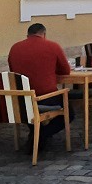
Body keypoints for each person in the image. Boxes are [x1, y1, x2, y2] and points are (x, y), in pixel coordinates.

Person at [8, 23, 73, 152]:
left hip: (22, 99)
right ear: (44, 34)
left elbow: (13, 70)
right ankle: (41, 136)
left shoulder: (15, 48)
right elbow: (65, 70)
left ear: (27, 35)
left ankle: (36, 134)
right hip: (45, 96)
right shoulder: (52, 46)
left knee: (30, 110)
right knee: (70, 113)